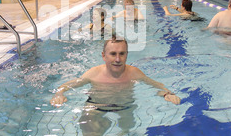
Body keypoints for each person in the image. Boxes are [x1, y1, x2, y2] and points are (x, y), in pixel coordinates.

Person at [50, 37, 180, 107]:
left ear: (127, 55)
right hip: (97, 107)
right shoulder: (93, 74)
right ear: (103, 55)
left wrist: (167, 93)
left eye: (121, 54)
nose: (117, 59)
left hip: (125, 106)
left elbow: (155, 84)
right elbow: (68, 85)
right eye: (113, 54)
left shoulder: (134, 73)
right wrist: (58, 94)